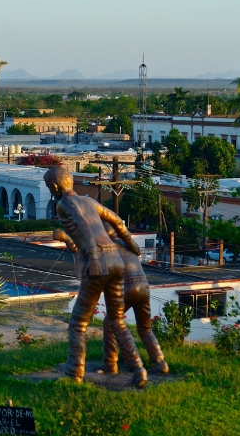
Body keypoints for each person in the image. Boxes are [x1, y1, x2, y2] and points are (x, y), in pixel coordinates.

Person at [43, 166, 147, 387]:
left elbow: (83, 226)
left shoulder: (64, 204)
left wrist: (92, 256)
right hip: (116, 261)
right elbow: (118, 222)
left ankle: (74, 373)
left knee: (79, 321)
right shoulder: (89, 201)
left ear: (54, 186)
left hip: (98, 261)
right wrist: (133, 246)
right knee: (117, 320)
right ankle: (138, 369)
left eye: (49, 188)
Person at [53, 227, 169, 375]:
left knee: (111, 322)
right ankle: (160, 362)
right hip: (144, 286)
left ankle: (111, 363)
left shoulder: (108, 249)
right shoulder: (128, 244)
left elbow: (80, 251)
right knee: (145, 328)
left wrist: (66, 238)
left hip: (128, 287)